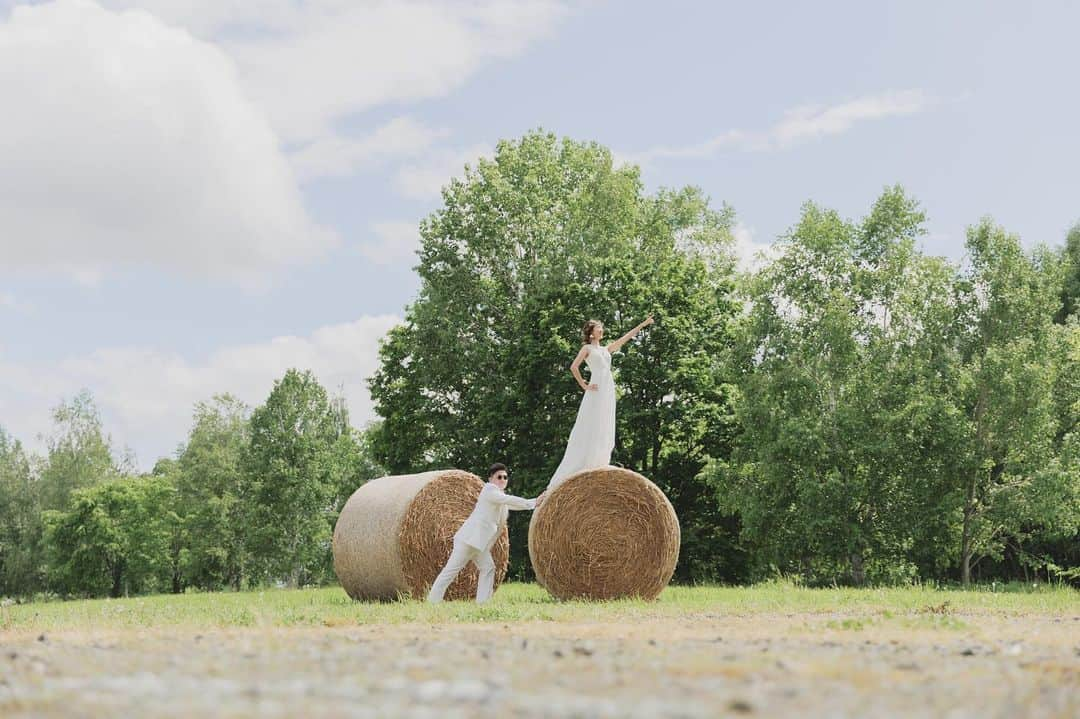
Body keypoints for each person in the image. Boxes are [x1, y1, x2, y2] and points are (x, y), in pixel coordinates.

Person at [548, 316, 654, 490]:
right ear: (591, 333)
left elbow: (625, 338)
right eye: (599, 328)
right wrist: (584, 384)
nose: (602, 330)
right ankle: (586, 464)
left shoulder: (606, 349)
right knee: (592, 423)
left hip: (607, 390)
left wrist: (642, 324)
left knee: (605, 423)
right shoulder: (587, 348)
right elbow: (574, 367)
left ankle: (599, 462)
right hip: (595, 390)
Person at [427, 463, 545, 603]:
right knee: (451, 570)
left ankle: (482, 603)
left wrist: (532, 503)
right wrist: (533, 502)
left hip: (478, 542)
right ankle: (433, 601)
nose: (502, 480)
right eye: (499, 477)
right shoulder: (490, 490)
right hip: (468, 540)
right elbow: (508, 500)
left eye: (505, 477)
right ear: (490, 479)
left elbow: (510, 504)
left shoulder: (498, 495)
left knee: (488, 568)